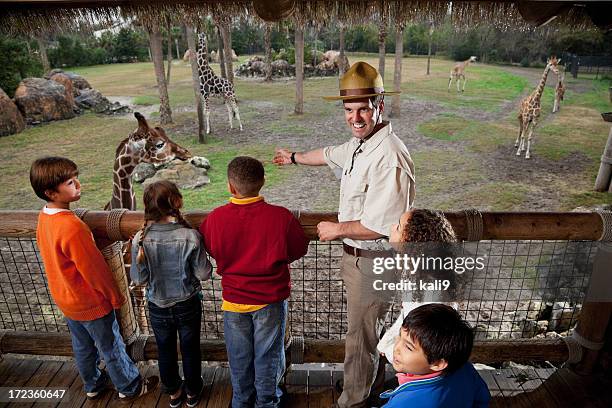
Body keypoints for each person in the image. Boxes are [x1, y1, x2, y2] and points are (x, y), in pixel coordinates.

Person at [273, 61, 415, 407]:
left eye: (363, 109)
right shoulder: (359, 145)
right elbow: (326, 154)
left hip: (374, 261)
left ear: (379, 106)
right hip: (358, 260)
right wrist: (293, 157)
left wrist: (337, 229)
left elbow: (380, 226)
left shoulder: (389, 156)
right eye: (349, 110)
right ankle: (368, 388)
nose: (355, 117)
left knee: (360, 338)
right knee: (366, 332)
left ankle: (352, 401)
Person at [30, 156, 158, 403]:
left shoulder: (44, 217)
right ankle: (129, 386)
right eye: (69, 182)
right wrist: (115, 296)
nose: (77, 184)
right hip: (91, 302)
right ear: (50, 192)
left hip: (66, 300)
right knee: (111, 345)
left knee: (82, 346)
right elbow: (94, 269)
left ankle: (93, 384)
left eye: (75, 177)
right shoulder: (72, 227)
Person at [200, 156, 309, 408]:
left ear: (230, 186)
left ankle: (240, 401)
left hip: (234, 301)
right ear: (263, 182)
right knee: (268, 355)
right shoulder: (281, 218)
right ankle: (267, 402)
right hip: (270, 301)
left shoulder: (215, 219)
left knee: (238, 357)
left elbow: (211, 247)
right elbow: (297, 248)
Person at [130, 180, 212, 408]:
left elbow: (138, 279)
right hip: (187, 303)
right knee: (190, 347)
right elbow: (203, 274)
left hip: (158, 305)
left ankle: (174, 392)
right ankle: (193, 391)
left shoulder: (141, 239)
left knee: (164, 348)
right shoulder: (191, 236)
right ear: (177, 202)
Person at [378, 209, 459, 359]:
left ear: (410, 240)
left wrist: (391, 351)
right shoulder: (416, 271)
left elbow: (422, 344)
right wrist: (386, 343)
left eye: (398, 227)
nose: (392, 227)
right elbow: (407, 317)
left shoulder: (432, 292)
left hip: (422, 362)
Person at [380, 303, 490, 407]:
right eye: (399, 336)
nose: (396, 348)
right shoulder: (464, 369)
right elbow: (482, 398)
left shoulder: (405, 403)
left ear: (437, 363)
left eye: (408, 347)